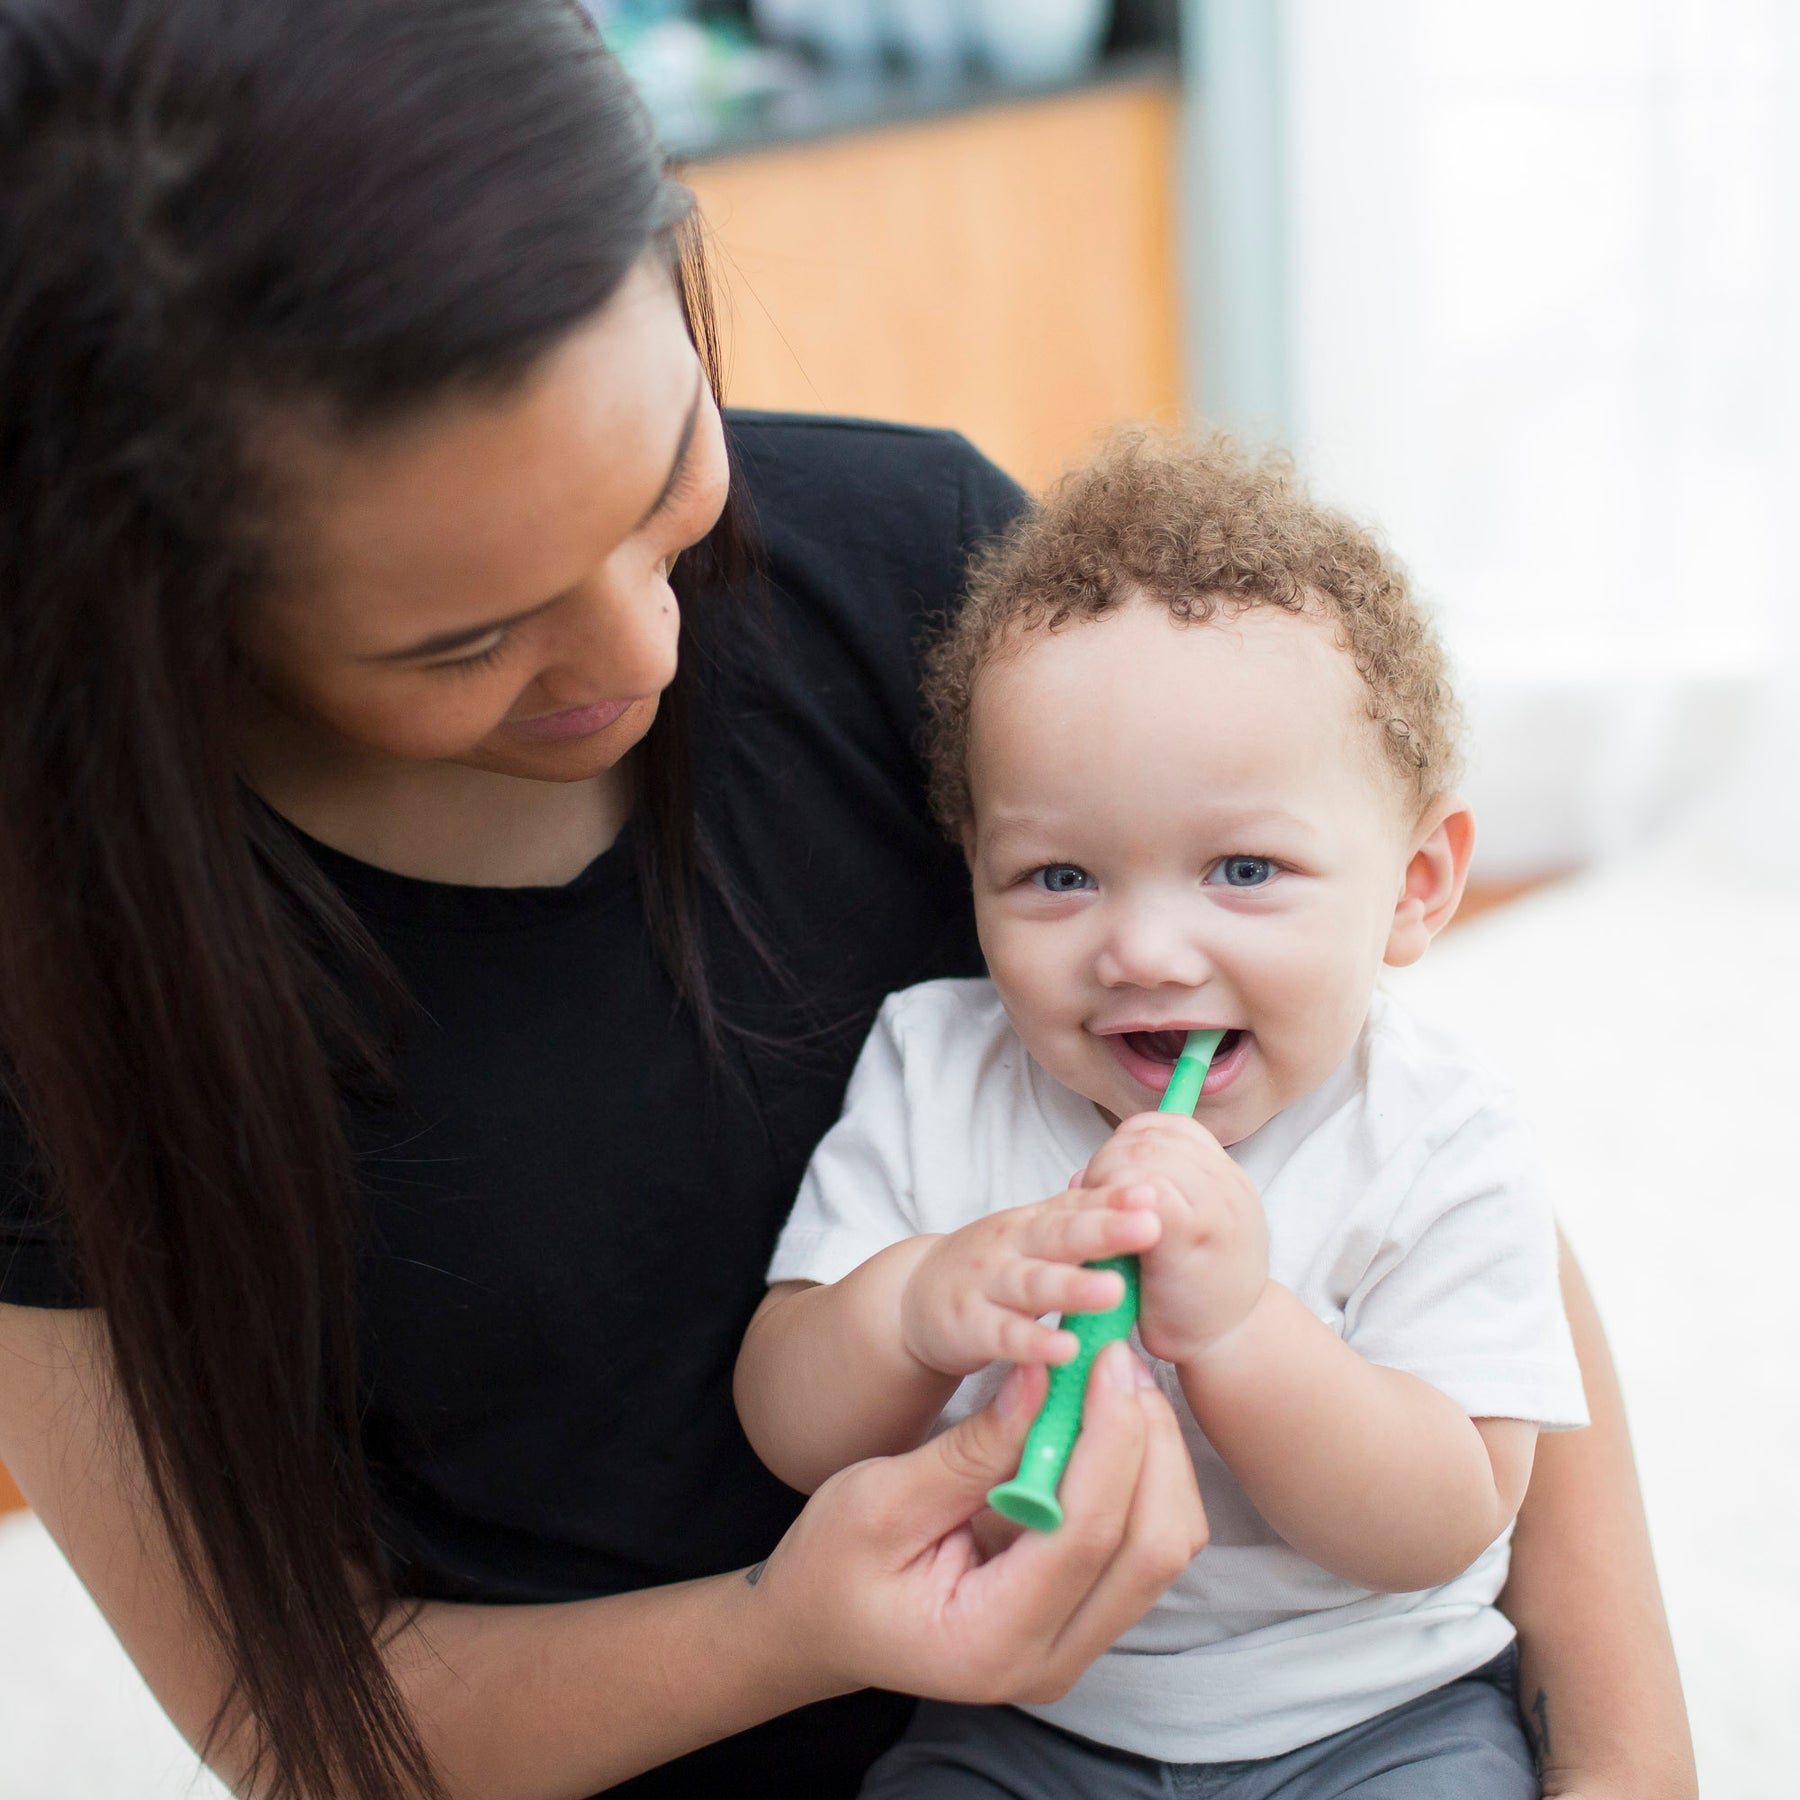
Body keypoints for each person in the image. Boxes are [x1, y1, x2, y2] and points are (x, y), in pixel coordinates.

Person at [0, 4, 1692, 1799]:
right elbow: (313, 1725)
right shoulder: (62, 975)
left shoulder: (922, 573)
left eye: (663, 483)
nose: (641, 648)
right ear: (149, 615)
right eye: (465, 639)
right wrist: (794, 1628)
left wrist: (1624, 1757)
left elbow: (1418, 1184)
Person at [734, 433, 1659, 1799]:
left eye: (1243, 868)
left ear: (1414, 886)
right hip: (1020, 1718)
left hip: (1371, 1724)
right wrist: (917, 1306)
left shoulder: (1438, 1132)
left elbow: (1449, 1517)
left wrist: (1238, 1328)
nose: (1147, 952)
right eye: (1057, 875)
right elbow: (789, 1425)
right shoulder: (940, 1069)